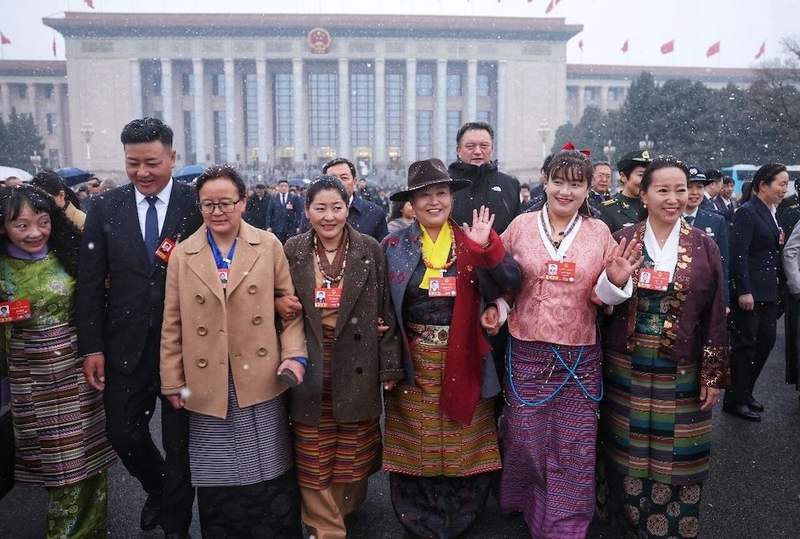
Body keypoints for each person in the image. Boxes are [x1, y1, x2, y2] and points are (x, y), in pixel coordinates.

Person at [480, 150, 639, 538]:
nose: (566, 191)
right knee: (524, 436)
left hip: (579, 351)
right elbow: (508, 284)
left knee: (574, 442)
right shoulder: (520, 226)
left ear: (587, 189)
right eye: (559, 182)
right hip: (527, 349)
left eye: (576, 184)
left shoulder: (598, 233)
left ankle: (565, 522)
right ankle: (524, 500)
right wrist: (497, 310)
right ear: (545, 181)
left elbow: (601, 297)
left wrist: (616, 281)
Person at [160, 165, 307, 537]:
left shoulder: (268, 245)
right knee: (218, 473)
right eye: (208, 204)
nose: (217, 211)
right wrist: (172, 380)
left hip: (259, 372)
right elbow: (172, 323)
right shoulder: (183, 254)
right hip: (207, 376)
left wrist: (293, 356)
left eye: (225, 202)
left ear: (242, 202)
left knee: (268, 467)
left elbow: (290, 309)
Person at [77, 117, 202, 538]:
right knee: (123, 433)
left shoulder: (195, 204)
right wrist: (91, 346)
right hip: (125, 343)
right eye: (133, 163)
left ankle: (176, 526)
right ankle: (158, 487)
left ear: (172, 157)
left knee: (180, 443)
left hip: (184, 346)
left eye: (152, 162)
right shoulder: (104, 208)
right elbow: (90, 281)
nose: (142, 172)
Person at [381, 158, 519, 538]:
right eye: (424, 195)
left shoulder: (471, 239)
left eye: (441, 193)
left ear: (452, 197)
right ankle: (418, 518)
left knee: (464, 440)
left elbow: (512, 281)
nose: (434, 202)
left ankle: (460, 517)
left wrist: (487, 248)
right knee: (417, 444)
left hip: (466, 355)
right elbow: (382, 304)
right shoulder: (392, 246)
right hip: (414, 361)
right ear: (411, 203)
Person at [600, 157, 728, 538]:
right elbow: (600, 301)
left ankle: (672, 525)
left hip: (683, 363)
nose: (674, 199)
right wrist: (614, 283)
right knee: (627, 443)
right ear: (643, 194)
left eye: (680, 190)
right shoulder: (622, 238)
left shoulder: (704, 245)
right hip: (627, 361)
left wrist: (713, 376)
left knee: (679, 450)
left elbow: (715, 315)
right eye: (662, 190)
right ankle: (627, 521)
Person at [282, 175, 403, 538]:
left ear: (348, 208)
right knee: (312, 450)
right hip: (312, 355)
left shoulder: (369, 248)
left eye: (336, 207)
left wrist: (389, 365)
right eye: (320, 208)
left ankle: (338, 512)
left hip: (358, 356)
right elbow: (280, 301)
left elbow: (385, 309)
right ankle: (328, 529)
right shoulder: (293, 249)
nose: (329, 216)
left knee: (352, 452)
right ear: (307, 210)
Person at [0, 185, 116, 536]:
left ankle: (92, 530)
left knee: (89, 458)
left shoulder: (69, 253)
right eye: (21, 226)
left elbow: (96, 301)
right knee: (58, 465)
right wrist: (7, 313)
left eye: (43, 222)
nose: (34, 233)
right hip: (31, 375)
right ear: (4, 226)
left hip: (79, 369)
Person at [724, 163, 789, 422]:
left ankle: (746, 391)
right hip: (751, 292)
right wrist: (744, 290)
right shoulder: (747, 212)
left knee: (765, 342)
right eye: (781, 184)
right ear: (763, 185)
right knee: (745, 346)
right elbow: (739, 254)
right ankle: (734, 399)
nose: (785, 189)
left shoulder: (772, 212)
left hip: (769, 291)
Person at [448, 121, 520, 234]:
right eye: (470, 146)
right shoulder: (446, 184)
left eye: (484, 146)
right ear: (458, 150)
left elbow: (517, 229)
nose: (477, 151)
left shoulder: (509, 184)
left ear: (492, 148)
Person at [683, 166, 730, 303]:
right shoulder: (669, 219)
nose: (695, 192)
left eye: (699, 187)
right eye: (689, 187)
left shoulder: (716, 221)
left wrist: (724, 300)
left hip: (705, 294)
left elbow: (723, 263)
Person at [317, 158, 388, 242]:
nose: (338, 182)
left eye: (344, 178)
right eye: (333, 178)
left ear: (354, 182)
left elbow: (382, 248)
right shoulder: (313, 213)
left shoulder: (374, 213)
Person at [599, 149, 652, 232]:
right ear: (623, 177)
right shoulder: (608, 210)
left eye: (649, 175)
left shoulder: (654, 207)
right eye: (641, 175)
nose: (646, 180)